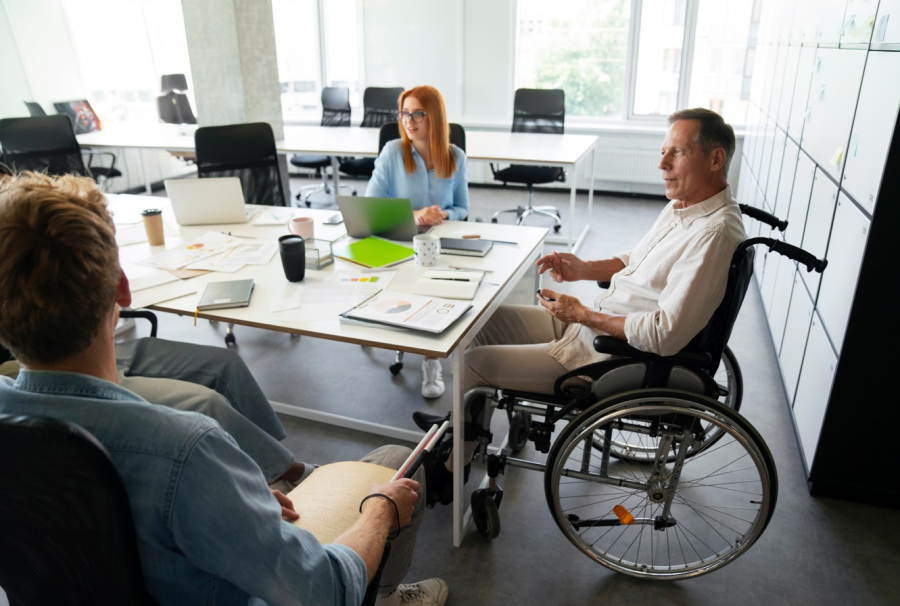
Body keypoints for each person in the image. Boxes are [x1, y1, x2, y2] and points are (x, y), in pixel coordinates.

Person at [0, 172, 448, 606]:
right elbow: (323, 591)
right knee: (395, 467)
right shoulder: (184, 450)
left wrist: (231, 505)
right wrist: (379, 511)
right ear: (121, 288)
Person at [418, 108, 747, 501]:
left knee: (472, 364)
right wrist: (583, 269)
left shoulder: (713, 234)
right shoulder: (684, 208)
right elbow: (637, 261)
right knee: (483, 320)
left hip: (612, 356)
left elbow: (665, 334)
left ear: (715, 159)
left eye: (676, 152)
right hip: (594, 328)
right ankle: (463, 426)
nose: (661, 164)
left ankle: (450, 468)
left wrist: (584, 313)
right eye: (663, 151)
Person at [0, 162, 310, 492]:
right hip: (26, 365)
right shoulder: (184, 446)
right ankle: (275, 477)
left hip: (38, 355)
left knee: (224, 365)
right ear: (123, 289)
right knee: (207, 404)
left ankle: (278, 467)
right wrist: (375, 504)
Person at [366, 85, 468, 400]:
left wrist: (443, 214)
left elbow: (463, 208)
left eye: (418, 113)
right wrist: (416, 214)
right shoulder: (393, 152)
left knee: (437, 288)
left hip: (440, 241)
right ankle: (428, 351)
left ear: (433, 117)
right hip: (399, 238)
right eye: (405, 113)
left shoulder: (455, 156)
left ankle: (430, 360)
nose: (409, 120)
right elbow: (371, 205)